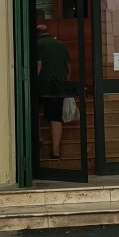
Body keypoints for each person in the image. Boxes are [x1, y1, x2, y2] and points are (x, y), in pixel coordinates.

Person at [35, 21, 71, 160]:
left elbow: (38, 66)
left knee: (34, 113)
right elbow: (69, 69)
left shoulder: (37, 45)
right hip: (58, 86)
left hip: (41, 85)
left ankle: (38, 139)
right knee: (56, 117)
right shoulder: (61, 45)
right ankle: (56, 151)